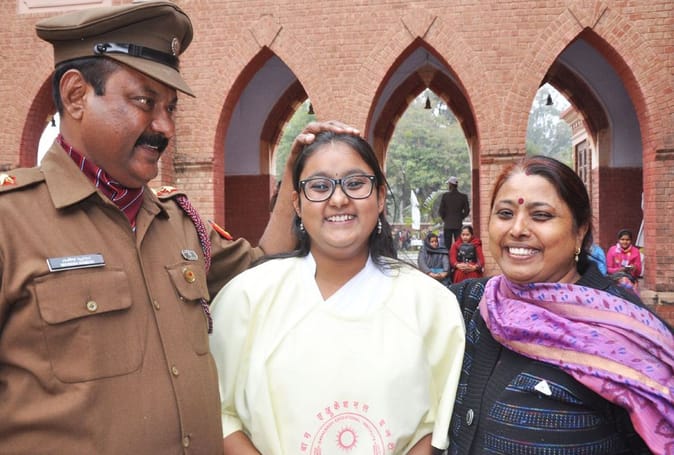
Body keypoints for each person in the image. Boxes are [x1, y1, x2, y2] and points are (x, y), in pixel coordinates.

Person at [0, 2, 357, 453]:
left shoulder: (179, 224)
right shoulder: (12, 223)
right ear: (76, 96)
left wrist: (293, 177)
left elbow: (264, 267)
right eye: (145, 102)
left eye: (170, 107)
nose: (165, 127)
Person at [209, 131, 466, 454]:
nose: (339, 199)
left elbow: (438, 424)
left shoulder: (430, 304)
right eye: (319, 186)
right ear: (297, 203)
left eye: (355, 183)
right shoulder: (247, 296)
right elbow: (217, 411)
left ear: (380, 197)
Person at [447, 155, 673, 455]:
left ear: (580, 231)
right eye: (505, 213)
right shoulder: (470, 303)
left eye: (541, 215)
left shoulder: (629, 335)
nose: (517, 229)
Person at [606, 228, 642, 292]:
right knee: (624, 282)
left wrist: (634, 268)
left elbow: (639, 272)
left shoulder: (635, 251)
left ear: (631, 240)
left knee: (628, 285)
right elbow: (608, 269)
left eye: (627, 240)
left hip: (631, 278)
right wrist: (619, 270)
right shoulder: (612, 250)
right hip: (615, 278)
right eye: (622, 239)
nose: (625, 242)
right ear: (618, 240)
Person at [438, 176, 470, 247]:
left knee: (447, 246)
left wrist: (445, 218)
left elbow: (441, 211)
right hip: (458, 224)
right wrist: (461, 217)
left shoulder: (445, 196)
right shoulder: (463, 197)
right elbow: (467, 210)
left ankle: (448, 255)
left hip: (447, 225)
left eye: (448, 184)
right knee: (459, 245)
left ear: (450, 184)